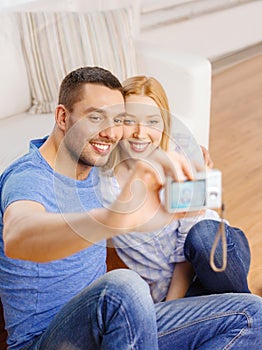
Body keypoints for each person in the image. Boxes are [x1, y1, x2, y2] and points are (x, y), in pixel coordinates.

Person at [0, 66, 261, 350]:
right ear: (63, 117)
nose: (109, 133)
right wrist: (111, 219)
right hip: (47, 340)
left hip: (112, 327)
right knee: (124, 286)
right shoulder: (28, 178)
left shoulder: (96, 171)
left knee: (253, 314)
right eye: (96, 117)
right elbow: (18, 234)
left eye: (117, 120)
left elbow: (141, 142)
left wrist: (190, 152)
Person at [101, 75, 251, 302]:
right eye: (130, 120)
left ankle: (251, 310)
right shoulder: (104, 185)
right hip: (174, 294)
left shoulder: (179, 168)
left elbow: (185, 257)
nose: (140, 133)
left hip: (216, 258)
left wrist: (172, 306)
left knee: (201, 236)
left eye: (152, 122)